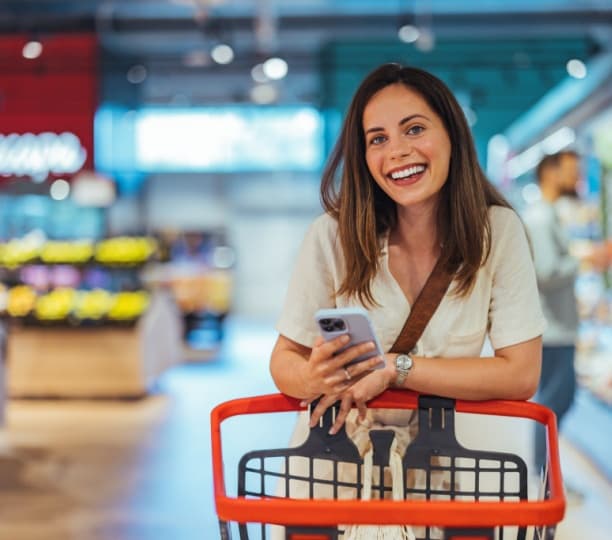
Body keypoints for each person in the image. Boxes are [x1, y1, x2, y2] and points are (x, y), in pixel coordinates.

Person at [269, 63, 546, 522]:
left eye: (414, 129)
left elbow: (520, 374)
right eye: (377, 139)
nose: (397, 151)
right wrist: (313, 379)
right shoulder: (332, 236)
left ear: (452, 134)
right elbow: (284, 361)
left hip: (456, 473)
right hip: (334, 470)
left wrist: (396, 369)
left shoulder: (497, 232)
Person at [522, 150, 609, 476]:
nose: (577, 178)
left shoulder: (548, 215)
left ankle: (543, 471)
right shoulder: (542, 218)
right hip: (553, 329)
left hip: (556, 326)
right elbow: (546, 270)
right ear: (549, 173)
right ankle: (541, 473)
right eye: (571, 170)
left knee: (556, 400)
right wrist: (586, 259)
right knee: (555, 402)